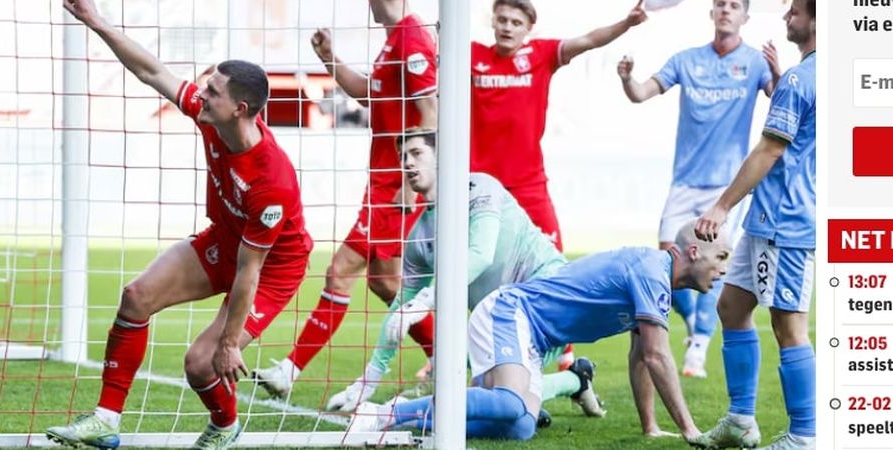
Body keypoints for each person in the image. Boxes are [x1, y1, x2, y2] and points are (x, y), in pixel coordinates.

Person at [47, 1, 314, 449]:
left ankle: (225, 427)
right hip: (226, 239)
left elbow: (250, 271)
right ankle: (106, 419)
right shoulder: (210, 116)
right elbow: (151, 70)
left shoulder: (272, 180)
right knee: (136, 297)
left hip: (271, 269)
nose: (201, 94)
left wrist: (230, 343)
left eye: (214, 91)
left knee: (201, 362)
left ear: (240, 108)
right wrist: (96, 21)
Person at [349, 222, 731, 441]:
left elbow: (641, 356)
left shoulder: (655, 278)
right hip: (511, 312)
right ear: (694, 253)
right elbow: (656, 355)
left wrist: (651, 428)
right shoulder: (652, 271)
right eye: (721, 257)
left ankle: (414, 423)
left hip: (531, 335)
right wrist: (691, 431)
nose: (725, 269)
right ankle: (385, 413)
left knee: (519, 426)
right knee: (511, 403)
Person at [324, 129, 604, 421]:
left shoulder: (480, 188)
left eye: (416, 154)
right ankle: (575, 380)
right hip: (501, 323)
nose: (407, 163)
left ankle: (560, 384)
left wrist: (425, 300)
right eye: (402, 157)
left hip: (549, 297)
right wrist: (366, 382)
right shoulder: (420, 235)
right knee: (470, 386)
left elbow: (479, 255)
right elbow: (399, 310)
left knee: (496, 396)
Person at [251, 0, 438, 396]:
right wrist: (329, 59)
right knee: (386, 284)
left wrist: (411, 177)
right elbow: (370, 95)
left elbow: (430, 111)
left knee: (342, 272)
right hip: (385, 182)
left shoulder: (411, 39)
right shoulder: (394, 40)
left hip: (395, 186)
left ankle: (290, 369)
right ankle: (448, 358)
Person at [471, 0, 647, 370]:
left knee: (556, 269)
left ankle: (565, 355)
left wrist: (626, 23)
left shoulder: (542, 54)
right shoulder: (469, 57)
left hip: (529, 186)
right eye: (501, 19)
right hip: (482, 191)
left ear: (528, 27)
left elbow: (588, 40)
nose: (507, 26)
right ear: (493, 21)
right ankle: (462, 352)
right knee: (470, 269)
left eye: (515, 21)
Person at [617, 0, 781, 378]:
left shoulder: (754, 62)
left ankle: (700, 346)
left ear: (745, 17)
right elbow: (641, 93)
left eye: (734, 5)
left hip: (726, 185)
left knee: (711, 260)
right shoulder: (686, 60)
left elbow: (779, 101)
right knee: (667, 265)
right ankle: (694, 326)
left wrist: (776, 72)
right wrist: (627, 78)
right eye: (720, 4)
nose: (726, 9)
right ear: (712, 13)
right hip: (684, 181)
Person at [690, 1, 815, 449]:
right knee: (732, 307)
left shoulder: (803, 79)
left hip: (787, 223)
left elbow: (770, 150)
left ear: (818, 21)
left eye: (796, 11)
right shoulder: (815, 75)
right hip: (767, 219)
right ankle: (742, 420)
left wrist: (721, 207)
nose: (786, 18)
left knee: (789, 326)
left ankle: (805, 436)